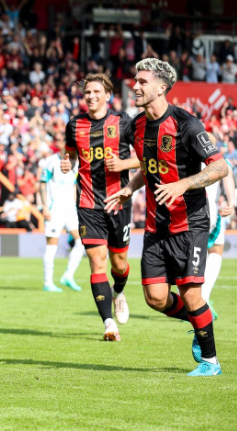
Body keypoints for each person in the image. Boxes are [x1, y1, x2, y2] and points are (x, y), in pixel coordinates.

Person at [105, 58, 230, 376]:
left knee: (191, 294)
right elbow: (147, 167)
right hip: (155, 226)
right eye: (135, 80)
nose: (135, 86)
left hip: (190, 223)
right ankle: (201, 319)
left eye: (142, 82)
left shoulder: (187, 124)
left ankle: (210, 362)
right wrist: (129, 188)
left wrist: (183, 184)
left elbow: (220, 166)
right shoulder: (137, 126)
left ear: (162, 87)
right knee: (155, 298)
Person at [61, 73, 138, 340]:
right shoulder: (74, 125)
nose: (91, 96)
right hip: (87, 203)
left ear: (107, 95)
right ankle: (109, 324)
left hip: (119, 202)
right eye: (87, 92)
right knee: (97, 262)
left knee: (119, 264)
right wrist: (67, 163)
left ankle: (119, 292)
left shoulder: (124, 122)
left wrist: (124, 164)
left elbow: (147, 157)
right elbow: (70, 154)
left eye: (96, 91)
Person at [40, 139, 84, 293]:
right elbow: (42, 183)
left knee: (81, 241)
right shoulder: (51, 161)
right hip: (55, 210)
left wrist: (77, 205)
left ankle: (68, 276)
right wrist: (45, 206)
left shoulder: (76, 163)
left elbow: (74, 186)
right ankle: (48, 282)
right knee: (52, 245)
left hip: (70, 210)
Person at [201, 134, 235, 320]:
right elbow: (228, 171)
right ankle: (203, 299)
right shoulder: (215, 159)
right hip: (208, 211)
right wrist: (231, 202)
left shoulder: (186, 157)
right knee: (215, 250)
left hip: (183, 212)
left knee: (194, 255)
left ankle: (194, 301)